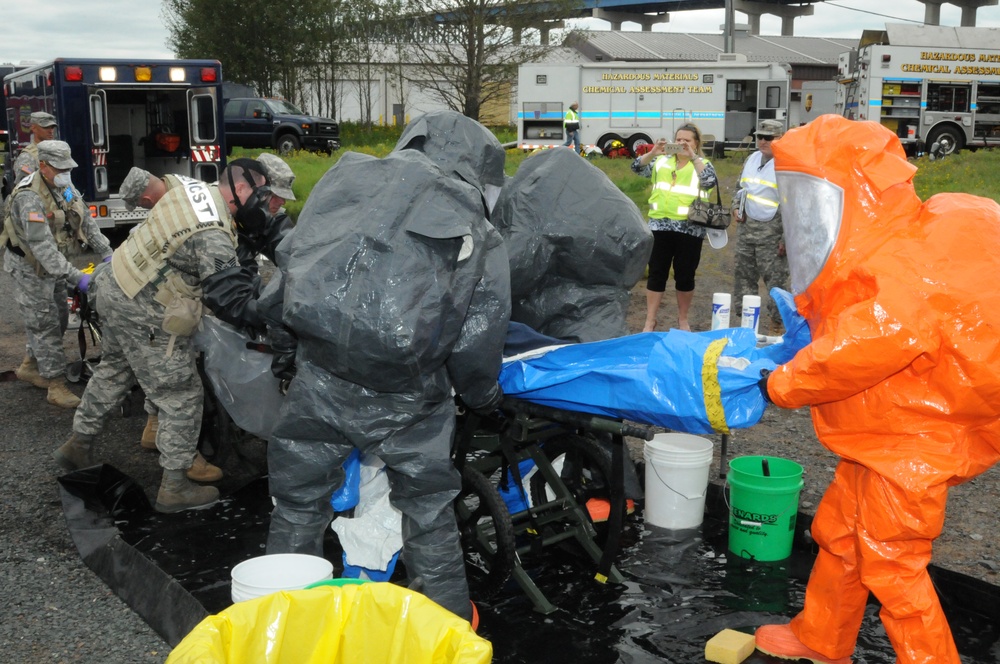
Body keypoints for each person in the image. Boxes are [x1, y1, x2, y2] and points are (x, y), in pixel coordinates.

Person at [755, 114, 1000, 664]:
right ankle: (821, 636)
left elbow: (872, 341)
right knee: (840, 534)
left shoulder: (904, 260)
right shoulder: (888, 250)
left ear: (854, 189)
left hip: (915, 442)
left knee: (891, 560)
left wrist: (782, 383)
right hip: (885, 433)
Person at [260, 110, 511, 625]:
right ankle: (449, 631)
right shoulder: (475, 225)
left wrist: (288, 351)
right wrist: (485, 398)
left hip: (321, 375)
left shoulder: (344, 178)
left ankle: (277, 626)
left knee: (297, 505)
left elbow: (290, 270)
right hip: (408, 395)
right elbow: (477, 333)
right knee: (428, 510)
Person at [53, 160, 273, 513]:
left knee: (115, 368)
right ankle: (174, 487)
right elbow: (228, 297)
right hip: (144, 305)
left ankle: (78, 444)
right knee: (181, 394)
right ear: (243, 190)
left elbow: (151, 188)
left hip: (114, 285)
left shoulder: (191, 186)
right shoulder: (213, 230)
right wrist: (270, 313)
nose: (262, 204)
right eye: (261, 195)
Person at [118, 166, 219, 480]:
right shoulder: (176, 186)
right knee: (170, 366)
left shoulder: (182, 202)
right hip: (166, 297)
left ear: (146, 197)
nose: (145, 209)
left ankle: (162, 433)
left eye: (142, 205)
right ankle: (159, 430)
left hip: (181, 289)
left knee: (171, 365)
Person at [2, 140, 113, 409]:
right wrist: (78, 278)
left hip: (53, 265)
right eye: (60, 168)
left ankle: (30, 364)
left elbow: (84, 218)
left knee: (60, 318)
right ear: (43, 166)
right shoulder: (29, 197)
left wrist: (108, 252)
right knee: (45, 323)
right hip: (30, 267)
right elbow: (42, 249)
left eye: (68, 167)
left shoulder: (64, 186)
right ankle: (55, 384)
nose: (66, 172)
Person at [631, 123, 720, 332]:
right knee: (656, 274)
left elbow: (709, 182)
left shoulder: (702, 163)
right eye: (678, 139)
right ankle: (649, 320)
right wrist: (653, 152)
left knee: (685, 275)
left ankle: (682, 320)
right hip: (659, 226)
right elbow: (636, 167)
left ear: (696, 143)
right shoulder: (661, 162)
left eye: (687, 140)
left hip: (690, 229)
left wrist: (693, 158)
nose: (681, 143)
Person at [731, 119, 788, 335]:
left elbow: (793, 205)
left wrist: (785, 238)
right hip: (747, 230)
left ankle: (777, 325)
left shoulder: (786, 165)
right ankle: (747, 323)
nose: (763, 141)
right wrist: (736, 207)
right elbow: (739, 188)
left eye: (769, 137)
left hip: (772, 233)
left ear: (780, 139)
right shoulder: (751, 159)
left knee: (776, 282)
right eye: (759, 136)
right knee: (744, 277)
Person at [13, 112, 58, 186]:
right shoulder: (27, 157)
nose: (51, 131)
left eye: (52, 127)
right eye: (46, 127)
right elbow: (26, 189)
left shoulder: (57, 152)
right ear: (33, 128)